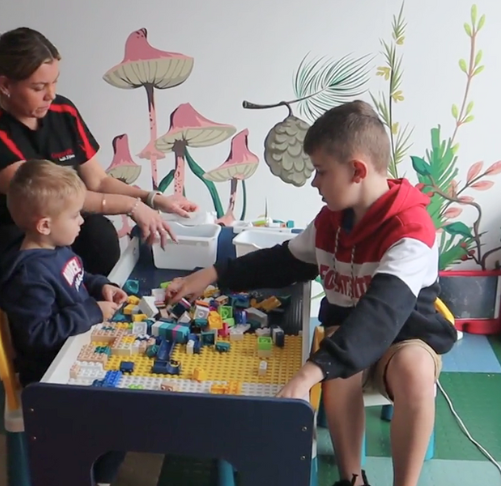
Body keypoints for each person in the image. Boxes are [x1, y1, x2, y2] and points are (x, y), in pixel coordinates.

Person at [164, 101, 458, 486]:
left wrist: (307, 376)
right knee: (337, 362)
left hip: (403, 338)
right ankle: (354, 480)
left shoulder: (411, 230)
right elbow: (284, 260)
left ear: (357, 171)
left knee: (414, 370)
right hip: (348, 343)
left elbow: (380, 316)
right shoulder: (332, 221)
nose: (313, 182)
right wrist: (214, 272)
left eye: (320, 171)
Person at [0, 27, 198, 301]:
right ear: (5, 85)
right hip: (12, 236)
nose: (50, 95)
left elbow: (98, 181)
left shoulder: (63, 111)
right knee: (40, 269)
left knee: (99, 236)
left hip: (62, 225)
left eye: (54, 83)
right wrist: (132, 207)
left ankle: (88, 310)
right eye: (38, 87)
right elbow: (45, 197)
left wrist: (153, 199)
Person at [0, 159, 127, 486]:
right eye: (75, 215)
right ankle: (94, 477)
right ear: (45, 225)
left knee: (124, 411)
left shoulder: (58, 249)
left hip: (71, 350)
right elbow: (38, 335)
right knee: (122, 416)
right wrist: (92, 311)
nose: (82, 220)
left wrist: (100, 285)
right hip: (50, 374)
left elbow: (78, 277)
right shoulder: (29, 277)